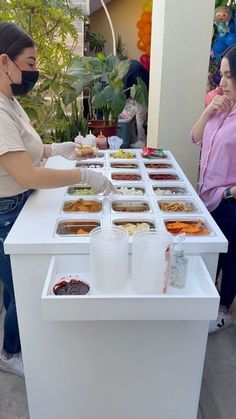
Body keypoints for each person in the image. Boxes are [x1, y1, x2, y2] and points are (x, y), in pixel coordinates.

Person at [0, 21, 116, 377]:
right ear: (5, 62)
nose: (36, 71)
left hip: (20, 204)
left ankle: (15, 342)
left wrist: (57, 148)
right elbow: (27, 174)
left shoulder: (10, 100)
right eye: (31, 63)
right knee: (22, 286)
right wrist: (82, 175)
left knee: (14, 284)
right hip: (7, 209)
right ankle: (10, 353)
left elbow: (28, 152)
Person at [191, 45, 236, 333]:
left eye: (229, 76)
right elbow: (194, 137)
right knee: (211, 256)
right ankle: (207, 304)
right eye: (221, 75)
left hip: (228, 200)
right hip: (205, 195)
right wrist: (209, 110)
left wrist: (229, 193)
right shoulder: (220, 108)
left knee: (230, 257)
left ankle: (223, 311)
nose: (222, 83)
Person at [123, 59, 149, 148]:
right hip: (146, 88)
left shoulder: (125, 70)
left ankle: (141, 141)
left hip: (142, 92)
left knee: (140, 117)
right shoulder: (131, 63)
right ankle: (135, 140)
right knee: (136, 116)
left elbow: (125, 90)